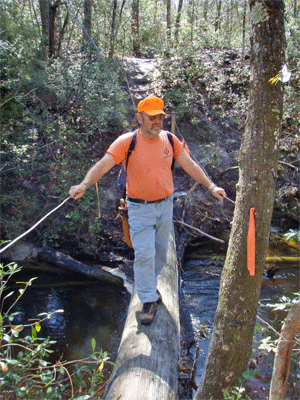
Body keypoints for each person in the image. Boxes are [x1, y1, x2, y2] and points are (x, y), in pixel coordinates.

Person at [69, 96, 226, 325]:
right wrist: (84, 184)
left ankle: (148, 287)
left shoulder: (170, 141)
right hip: (138, 208)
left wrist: (211, 186)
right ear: (139, 118)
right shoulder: (126, 142)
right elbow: (104, 164)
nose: (157, 122)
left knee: (161, 255)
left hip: (165, 206)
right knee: (144, 254)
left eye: (160, 117)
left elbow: (189, 164)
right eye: (152, 118)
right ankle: (149, 299)